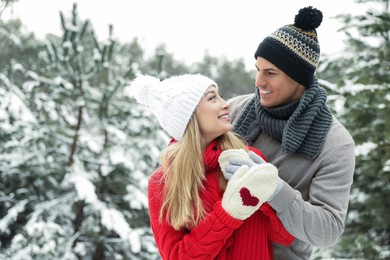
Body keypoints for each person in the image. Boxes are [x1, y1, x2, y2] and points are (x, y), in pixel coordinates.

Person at [225, 6, 356, 260]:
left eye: (270, 73)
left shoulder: (335, 144)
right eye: (258, 69)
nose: (258, 81)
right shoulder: (235, 110)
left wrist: (274, 189)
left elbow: (327, 230)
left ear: (299, 79)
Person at [128, 74, 294, 259]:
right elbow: (176, 256)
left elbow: (285, 237)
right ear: (189, 116)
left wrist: (264, 192)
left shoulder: (247, 159)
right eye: (212, 98)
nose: (225, 104)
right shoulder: (163, 182)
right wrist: (228, 213)